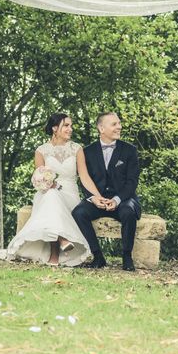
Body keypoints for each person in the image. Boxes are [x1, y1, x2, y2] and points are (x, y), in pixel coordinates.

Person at [5, 113, 101, 266]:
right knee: (51, 195)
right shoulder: (41, 151)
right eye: (66, 125)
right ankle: (62, 241)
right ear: (55, 128)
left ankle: (55, 254)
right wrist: (48, 184)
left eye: (71, 125)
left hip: (70, 194)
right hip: (46, 193)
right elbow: (40, 177)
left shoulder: (77, 149)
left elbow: (84, 177)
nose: (71, 129)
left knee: (53, 198)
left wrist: (98, 196)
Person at [72, 112, 141, 271]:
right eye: (114, 124)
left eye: (119, 123)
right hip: (98, 199)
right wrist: (93, 198)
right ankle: (98, 256)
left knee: (128, 212)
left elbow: (132, 182)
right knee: (79, 212)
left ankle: (127, 256)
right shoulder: (87, 152)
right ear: (101, 128)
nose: (119, 127)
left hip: (123, 199)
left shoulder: (129, 150)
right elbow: (84, 178)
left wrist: (117, 199)